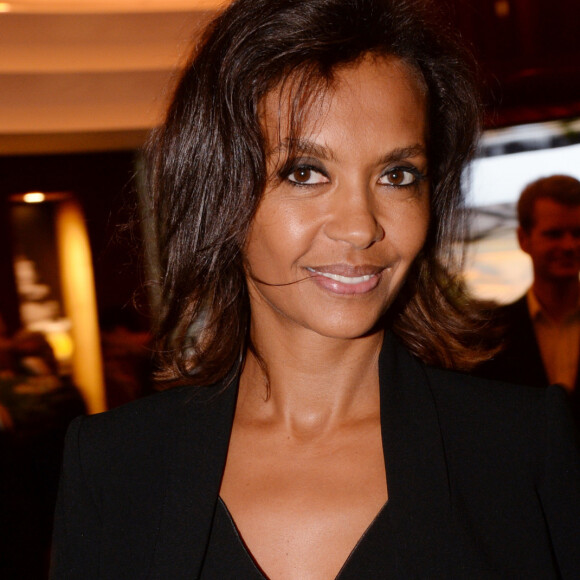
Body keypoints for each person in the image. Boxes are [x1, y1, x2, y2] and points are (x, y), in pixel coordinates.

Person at [50, 0, 580, 578]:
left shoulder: (520, 449)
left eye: (397, 175)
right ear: (221, 188)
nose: (360, 225)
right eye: (305, 172)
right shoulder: (113, 464)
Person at [476, 175, 580, 428]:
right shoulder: (490, 336)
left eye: (578, 232)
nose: (569, 245)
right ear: (524, 239)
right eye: (554, 234)